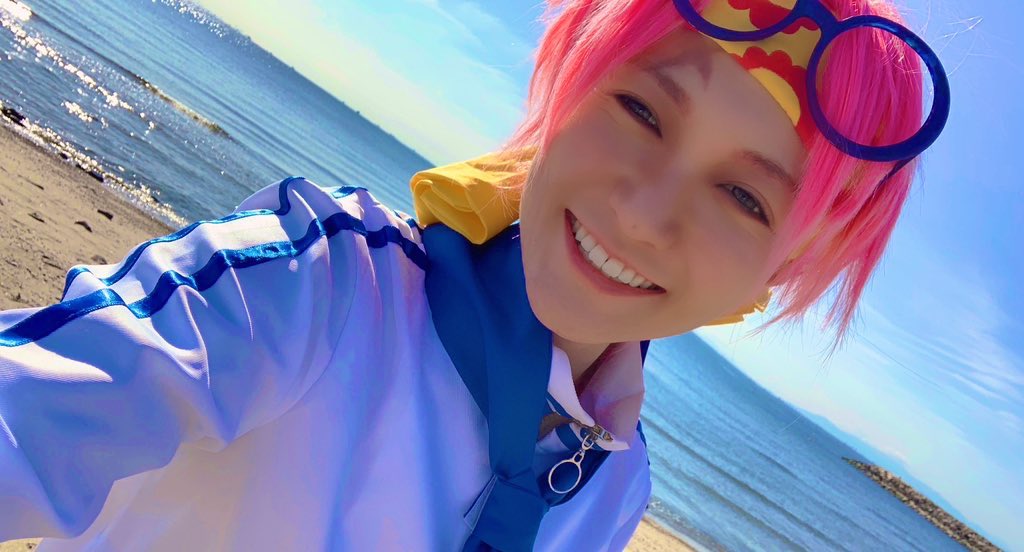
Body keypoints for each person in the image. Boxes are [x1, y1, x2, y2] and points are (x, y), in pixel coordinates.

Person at [0, 0, 949, 550]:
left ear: (781, 275)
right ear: (568, 93)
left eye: (744, 198)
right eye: (641, 111)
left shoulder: (615, 486)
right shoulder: (318, 283)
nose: (643, 213)